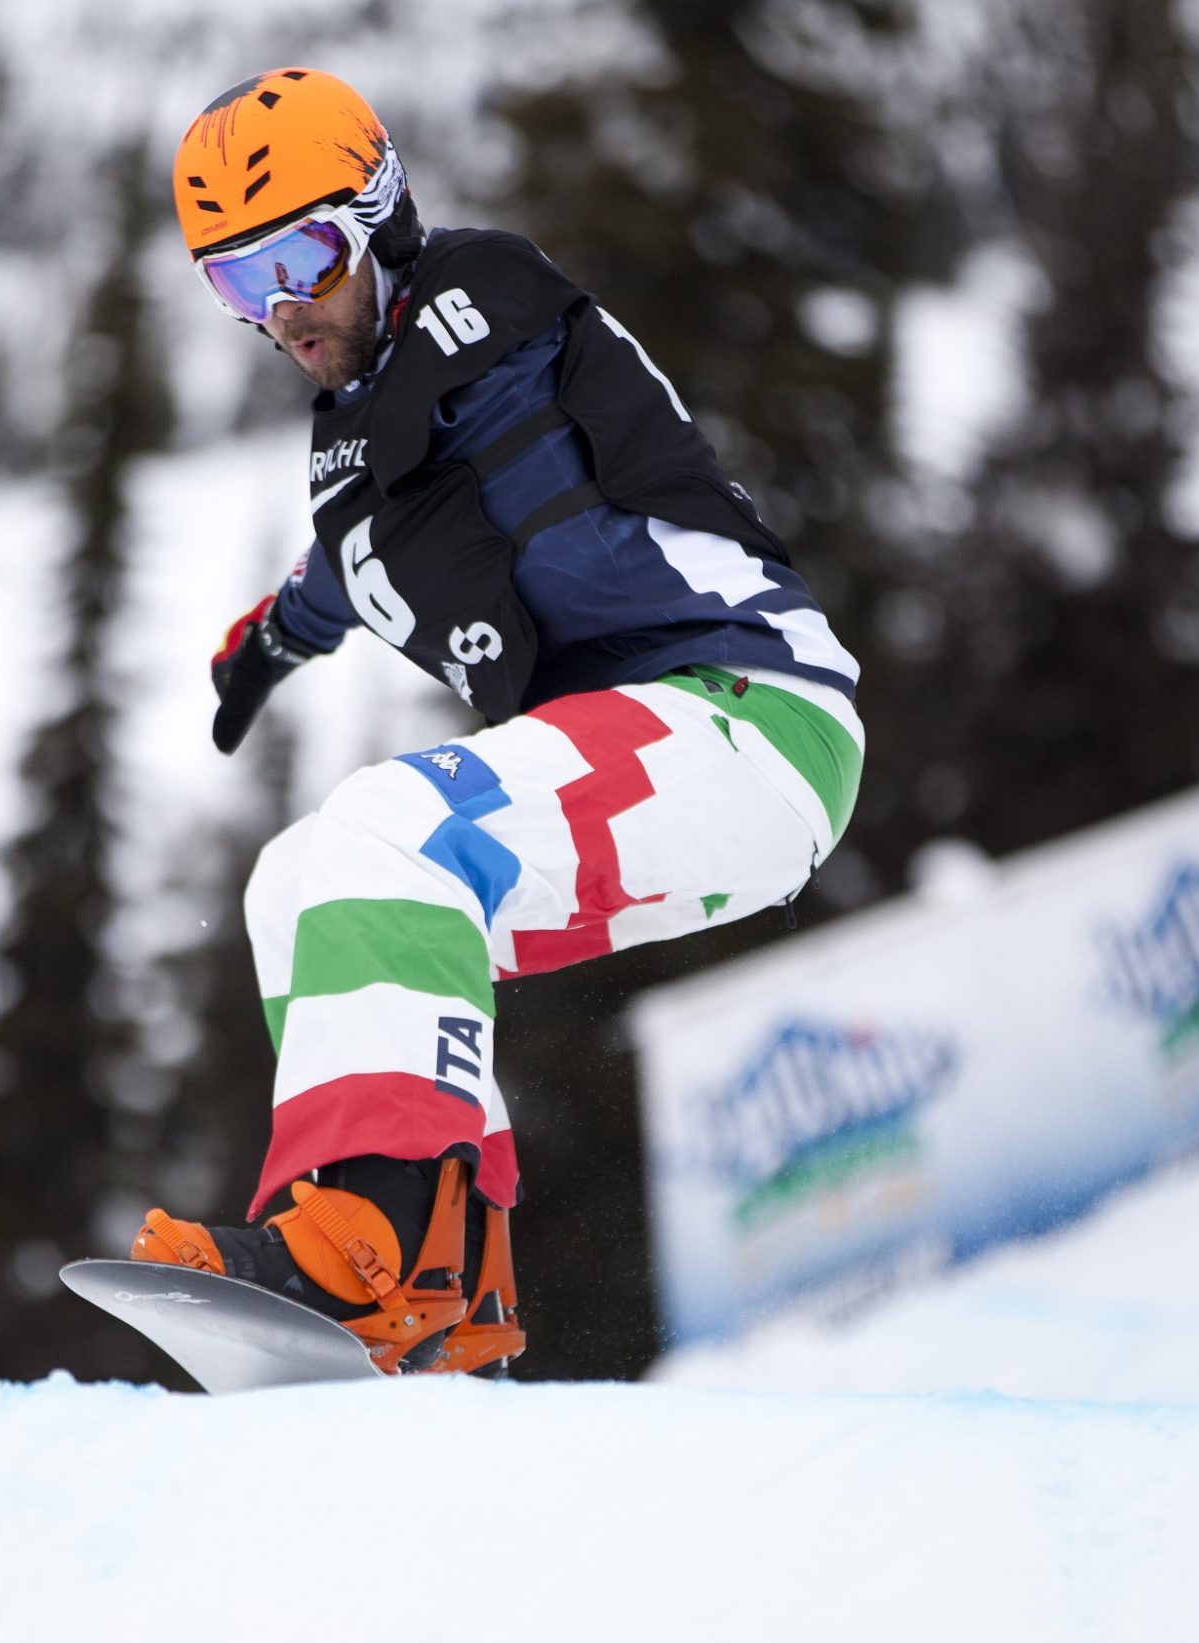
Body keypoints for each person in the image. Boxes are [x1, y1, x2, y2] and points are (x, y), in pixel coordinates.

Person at [126, 69, 864, 1373]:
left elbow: (410, 455)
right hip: (649, 747)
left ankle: (362, 1240)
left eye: (300, 256)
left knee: (394, 824)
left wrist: (333, 558)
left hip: (750, 712)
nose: (282, 311)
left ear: (382, 214)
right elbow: (366, 534)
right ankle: (443, 1301)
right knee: (295, 881)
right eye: (240, 284)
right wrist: (282, 627)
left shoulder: (487, 297)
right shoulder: (361, 436)